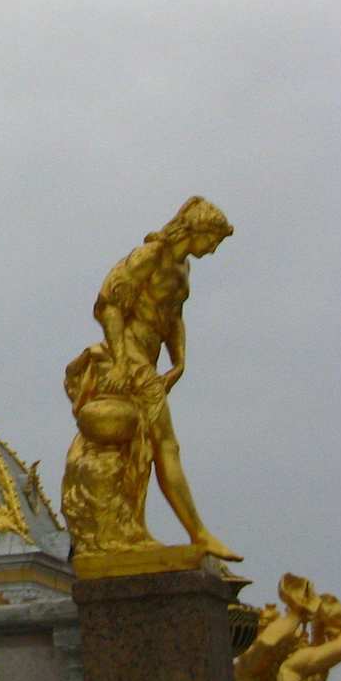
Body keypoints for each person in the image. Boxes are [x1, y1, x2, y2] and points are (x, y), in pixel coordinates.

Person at [62, 196, 239, 562]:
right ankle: (198, 533)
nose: (213, 249)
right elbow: (109, 306)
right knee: (165, 444)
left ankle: (132, 529)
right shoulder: (149, 256)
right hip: (130, 357)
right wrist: (121, 361)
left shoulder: (182, 267)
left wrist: (179, 361)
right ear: (196, 230)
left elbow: (173, 317)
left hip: (148, 361)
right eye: (213, 240)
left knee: (144, 450)